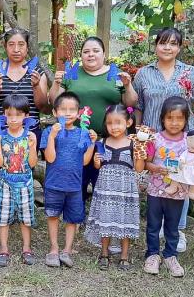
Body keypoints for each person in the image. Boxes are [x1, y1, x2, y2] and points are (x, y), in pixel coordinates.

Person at [132, 27, 194, 253]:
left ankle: (178, 230)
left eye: (173, 44)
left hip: (183, 140)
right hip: (154, 138)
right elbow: (137, 105)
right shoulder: (144, 73)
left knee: (182, 178)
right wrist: (139, 133)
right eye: (163, 43)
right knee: (157, 179)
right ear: (155, 46)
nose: (167, 47)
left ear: (180, 48)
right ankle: (159, 225)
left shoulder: (189, 73)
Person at [49, 36, 137, 201]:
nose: (91, 55)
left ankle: (104, 215)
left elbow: (130, 103)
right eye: (86, 51)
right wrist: (56, 83)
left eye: (96, 51)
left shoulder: (115, 74)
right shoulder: (72, 73)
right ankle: (75, 214)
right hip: (74, 138)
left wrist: (128, 85)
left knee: (104, 181)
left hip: (108, 139)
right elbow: (55, 102)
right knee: (77, 180)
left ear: (104, 54)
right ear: (81, 55)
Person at [85, 105, 145, 271]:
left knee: (125, 221)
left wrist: (141, 153)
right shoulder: (102, 142)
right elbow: (98, 166)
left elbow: (139, 168)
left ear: (128, 122)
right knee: (105, 220)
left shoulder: (134, 143)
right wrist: (97, 162)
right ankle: (104, 253)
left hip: (125, 190)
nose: (114, 127)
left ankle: (124, 255)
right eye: (110, 123)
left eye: (118, 122)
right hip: (106, 189)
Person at [40, 91, 97, 268]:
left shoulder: (83, 133)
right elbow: (49, 158)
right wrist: (51, 137)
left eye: (72, 109)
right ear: (55, 112)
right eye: (63, 109)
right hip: (54, 184)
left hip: (74, 186)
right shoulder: (49, 131)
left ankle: (67, 250)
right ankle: (54, 248)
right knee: (53, 215)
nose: (67, 113)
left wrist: (93, 143)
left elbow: (85, 161)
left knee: (72, 219)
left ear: (79, 113)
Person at [143, 96, 191, 278]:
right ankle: (152, 255)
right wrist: (156, 168)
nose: (174, 123)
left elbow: (193, 163)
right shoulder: (154, 139)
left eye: (179, 118)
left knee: (172, 226)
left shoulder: (188, 140)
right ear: (162, 118)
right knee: (153, 225)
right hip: (155, 190)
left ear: (186, 120)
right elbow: (146, 163)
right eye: (170, 118)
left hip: (178, 193)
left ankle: (171, 255)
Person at [0, 94, 38, 267]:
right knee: (3, 218)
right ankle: (3, 249)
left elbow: (32, 163)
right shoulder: (1, 137)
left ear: (26, 116)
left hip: (25, 183)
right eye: (10, 115)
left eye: (18, 115)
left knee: (26, 218)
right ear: (4, 114)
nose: (14, 119)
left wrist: (33, 146)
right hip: (5, 184)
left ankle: (27, 248)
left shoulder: (29, 136)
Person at [0, 28, 50, 144]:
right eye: (11, 45)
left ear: (27, 47)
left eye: (21, 45)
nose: (16, 49)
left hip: (30, 133)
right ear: (5, 47)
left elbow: (43, 107)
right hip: (1, 133)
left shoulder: (37, 72)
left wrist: (36, 87)